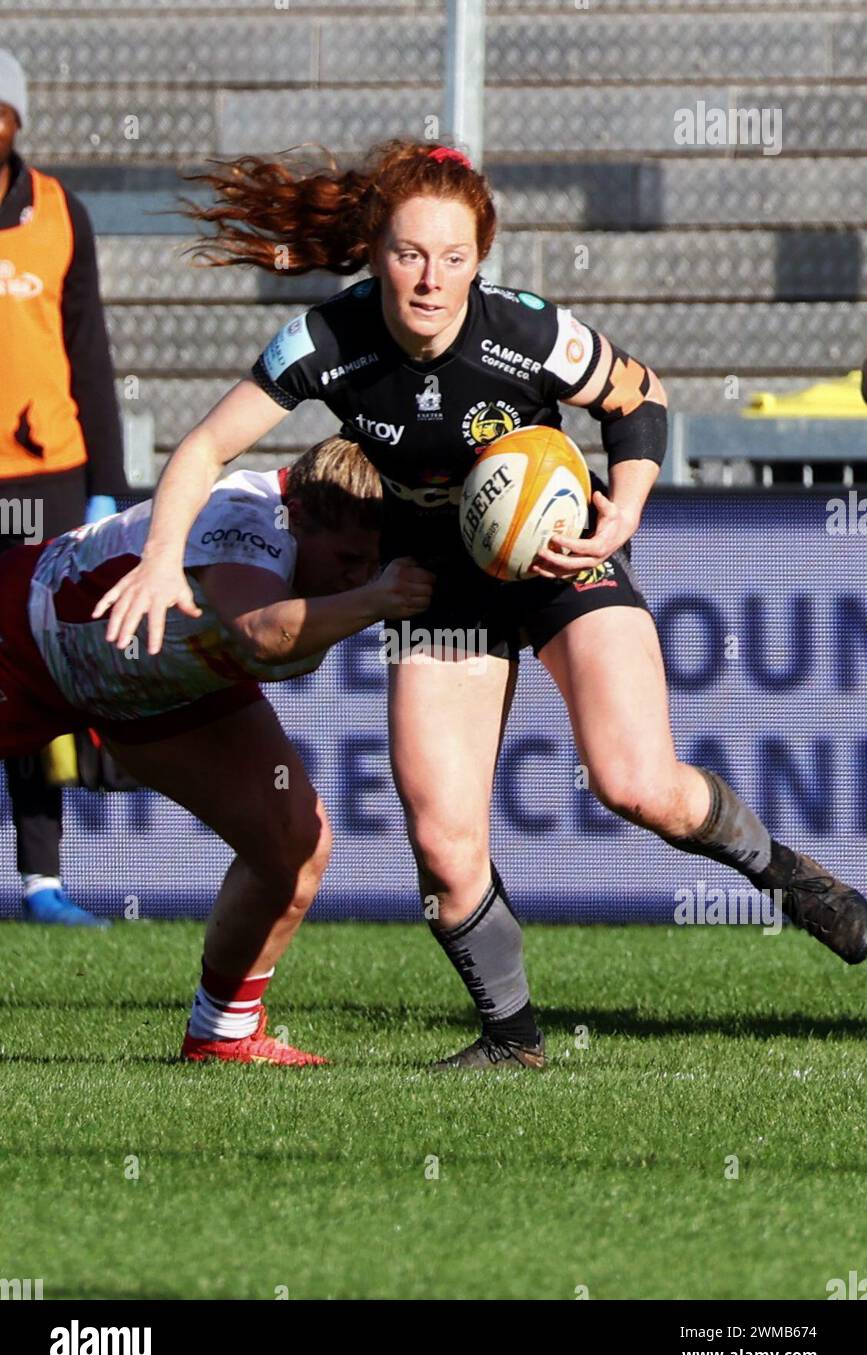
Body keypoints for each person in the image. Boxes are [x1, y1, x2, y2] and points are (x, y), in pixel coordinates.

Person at [92, 139, 867, 1070]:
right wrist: (162, 557)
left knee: (637, 784)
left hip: (557, 556)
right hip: (437, 581)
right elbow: (206, 446)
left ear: (480, 258)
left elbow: (639, 397)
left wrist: (621, 509)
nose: (430, 280)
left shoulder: (526, 332)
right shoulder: (327, 343)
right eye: (411, 254)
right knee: (442, 842)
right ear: (377, 251)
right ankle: (513, 1042)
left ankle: (793, 880)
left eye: (453, 258)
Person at [0, 435, 434, 1064]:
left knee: (295, 839)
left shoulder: (350, 552)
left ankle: (223, 1033)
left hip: (162, 690)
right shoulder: (244, 514)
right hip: (26, 639)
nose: (358, 577)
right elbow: (261, 633)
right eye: (347, 559)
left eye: (372, 564)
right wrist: (380, 598)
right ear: (302, 516)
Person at [0, 49, 126, 926]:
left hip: (47, 476)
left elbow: (90, 356)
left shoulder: (59, 213)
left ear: (13, 120)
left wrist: (106, 491)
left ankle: (42, 878)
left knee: (36, 677)